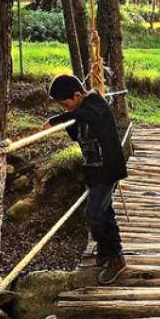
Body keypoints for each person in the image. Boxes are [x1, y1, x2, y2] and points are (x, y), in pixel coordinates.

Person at [47, 74, 128, 285]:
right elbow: (77, 133)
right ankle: (108, 252)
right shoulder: (79, 111)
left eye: (66, 104)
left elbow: (89, 116)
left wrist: (56, 120)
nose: (66, 110)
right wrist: (67, 120)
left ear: (77, 95)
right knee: (105, 212)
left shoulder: (95, 104)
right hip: (94, 170)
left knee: (93, 214)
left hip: (107, 170)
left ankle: (115, 256)